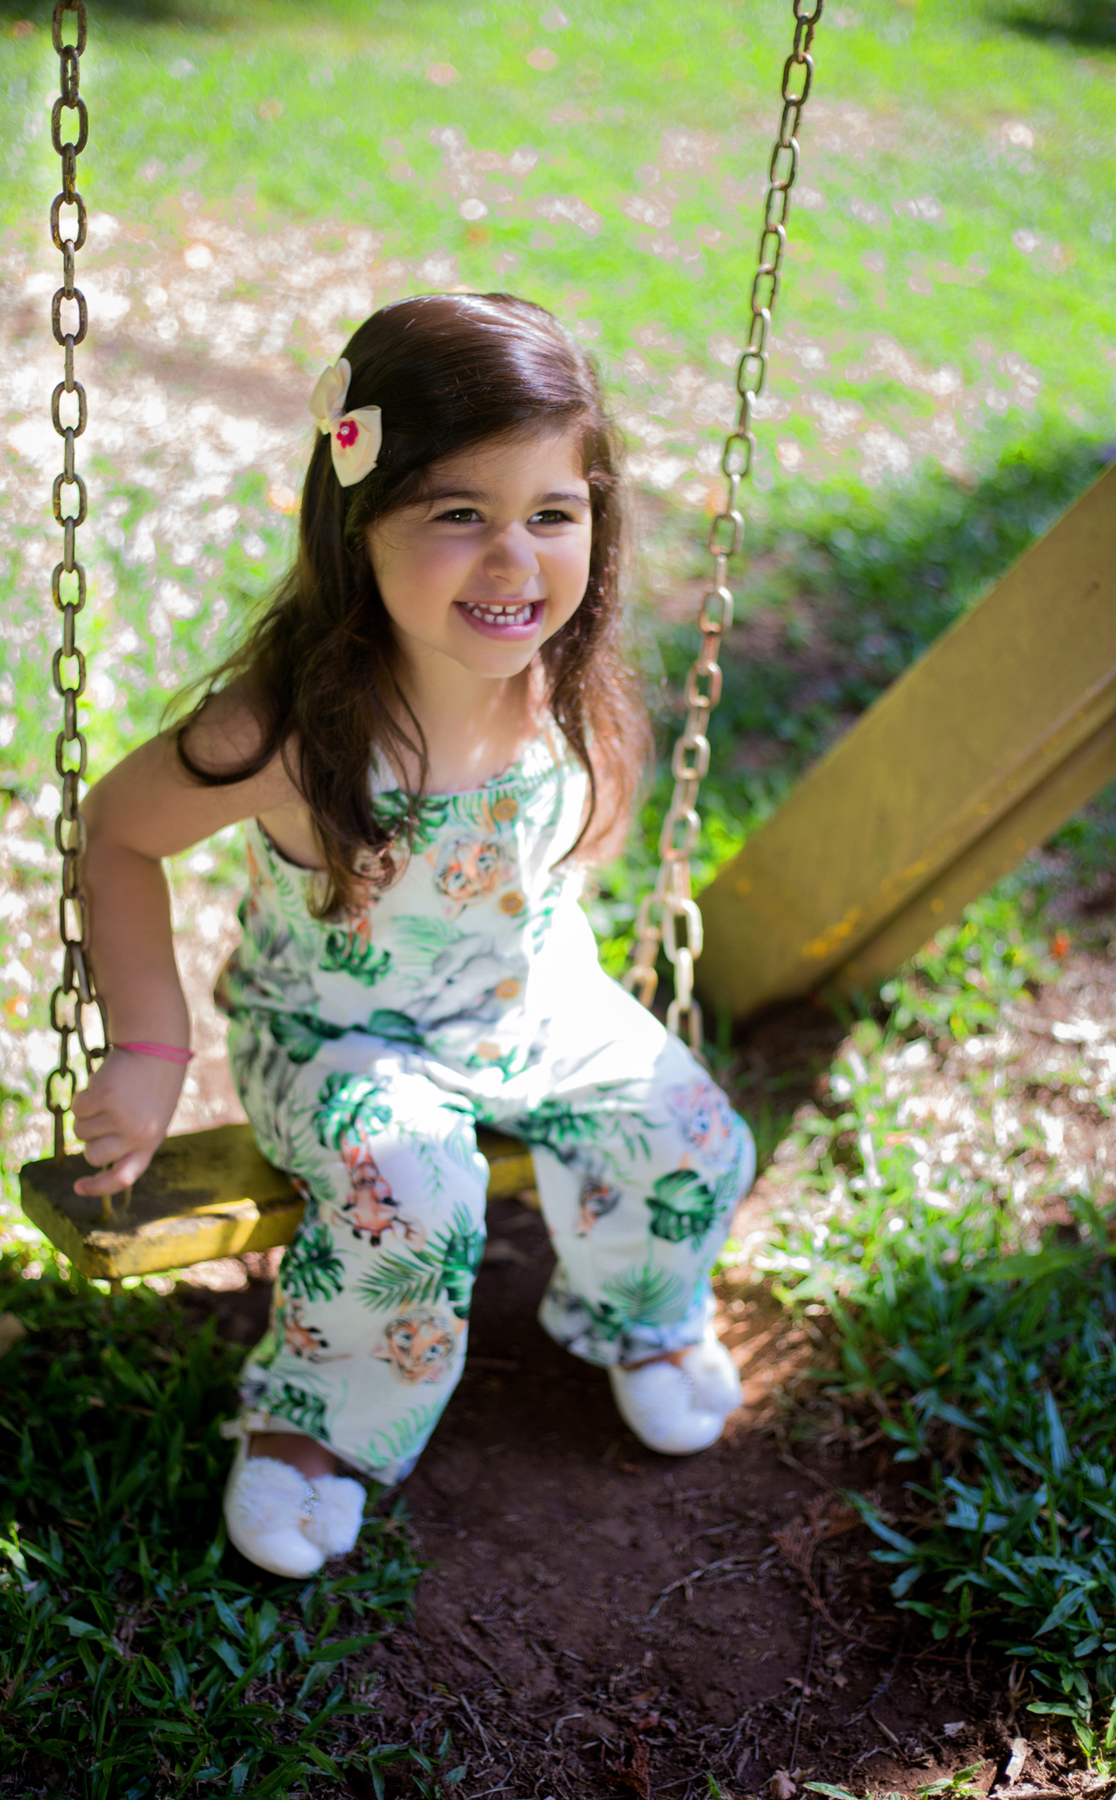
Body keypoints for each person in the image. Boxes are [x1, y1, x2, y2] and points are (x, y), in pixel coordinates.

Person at [72, 293, 756, 1579]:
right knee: (414, 1195)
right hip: (336, 1034)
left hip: (527, 997)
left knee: (693, 1136)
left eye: (552, 514)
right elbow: (117, 829)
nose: (516, 562)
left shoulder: (567, 676)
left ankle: (642, 1314)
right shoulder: (284, 730)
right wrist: (150, 1050)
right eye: (459, 515)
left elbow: (576, 824)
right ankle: (314, 1430)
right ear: (359, 524)